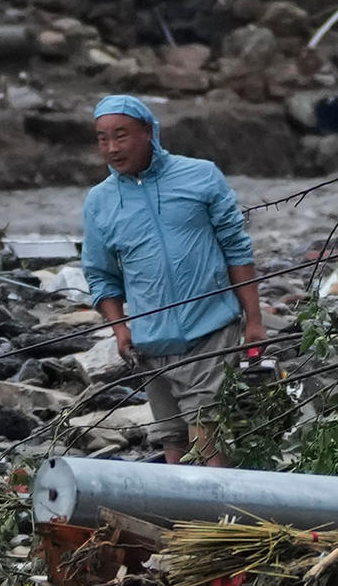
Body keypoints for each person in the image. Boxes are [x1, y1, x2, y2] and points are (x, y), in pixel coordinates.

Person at [77, 94, 266, 458]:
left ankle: (218, 513)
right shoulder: (99, 201)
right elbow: (100, 275)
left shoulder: (200, 175)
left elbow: (236, 248)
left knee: (206, 435)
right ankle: (186, 515)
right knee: (173, 442)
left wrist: (254, 320)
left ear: (149, 132)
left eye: (121, 135)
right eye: (103, 139)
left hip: (211, 329)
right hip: (151, 342)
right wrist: (120, 329)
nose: (112, 148)